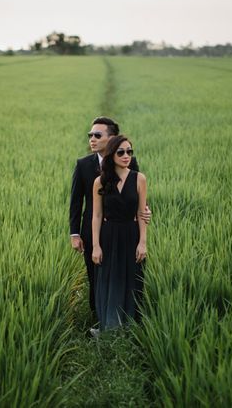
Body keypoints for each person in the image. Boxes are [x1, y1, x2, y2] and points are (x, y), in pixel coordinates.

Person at [69, 117, 150, 323]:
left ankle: (127, 321)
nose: (92, 139)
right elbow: (76, 202)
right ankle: (100, 320)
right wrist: (75, 233)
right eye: (90, 136)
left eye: (97, 135)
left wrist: (146, 212)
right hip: (95, 231)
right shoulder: (84, 165)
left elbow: (137, 196)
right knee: (97, 277)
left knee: (128, 277)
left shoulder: (130, 164)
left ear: (111, 138)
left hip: (127, 230)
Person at [91, 136, 147, 332]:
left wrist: (143, 242)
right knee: (109, 279)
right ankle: (109, 327)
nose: (126, 156)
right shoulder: (100, 181)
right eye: (121, 152)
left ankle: (130, 327)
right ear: (112, 154)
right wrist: (96, 246)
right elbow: (97, 215)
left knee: (131, 279)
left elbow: (142, 213)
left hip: (131, 235)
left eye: (130, 152)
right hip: (108, 235)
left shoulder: (139, 178)